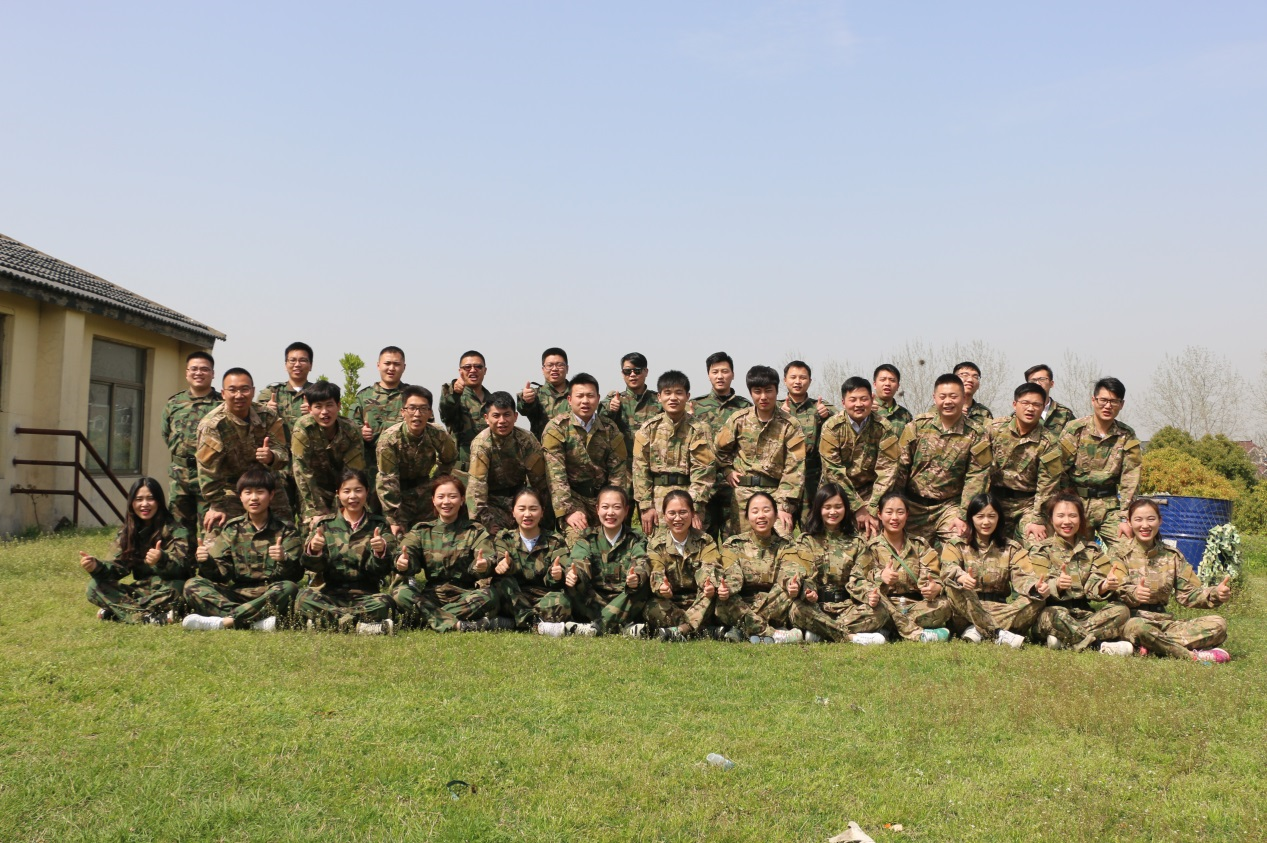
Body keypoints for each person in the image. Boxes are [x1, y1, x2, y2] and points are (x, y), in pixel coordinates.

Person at [870, 374, 990, 545]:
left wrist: (963, 515)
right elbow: (899, 468)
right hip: (912, 505)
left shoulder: (976, 434)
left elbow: (977, 476)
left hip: (949, 507)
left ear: (964, 398)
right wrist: (892, 505)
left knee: (961, 543)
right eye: (943, 396)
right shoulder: (918, 426)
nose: (948, 401)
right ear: (934, 398)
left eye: (953, 396)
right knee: (897, 548)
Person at [1112, 499, 1233, 662]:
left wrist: (1215, 593)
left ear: (1160, 521)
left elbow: (1188, 594)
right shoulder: (1119, 554)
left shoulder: (1172, 556)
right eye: (1138, 520)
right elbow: (1116, 588)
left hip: (1164, 623)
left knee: (1218, 624)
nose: (1145, 525)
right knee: (1140, 628)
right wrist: (1134, 593)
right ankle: (1190, 655)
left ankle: (1150, 646)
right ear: (1129, 522)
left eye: (1151, 519)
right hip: (1132, 621)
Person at [181, 469, 302, 631]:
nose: (254, 498)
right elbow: (221, 574)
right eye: (248, 492)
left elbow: (296, 575)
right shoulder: (232, 529)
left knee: (289, 588)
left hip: (270, 593)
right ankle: (253, 622)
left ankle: (224, 622)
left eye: (260, 492)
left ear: (271, 495)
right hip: (237, 594)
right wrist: (206, 561)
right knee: (192, 585)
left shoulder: (286, 530)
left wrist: (283, 559)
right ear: (240, 497)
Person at [390, 475, 514, 632]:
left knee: (489, 596)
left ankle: (427, 619)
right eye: (441, 497)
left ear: (462, 500)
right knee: (400, 594)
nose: (446, 502)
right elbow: (406, 552)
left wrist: (483, 566)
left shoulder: (475, 531)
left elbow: (487, 557)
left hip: (465, 596)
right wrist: (403, 562)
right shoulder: (422, 530)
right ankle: (460, 624)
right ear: (433, 500)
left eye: (453, 496)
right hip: (432, 596)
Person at [779, 483, 888, 642]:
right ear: (818, 509)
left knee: (881, 611)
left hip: (847, 607)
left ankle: (820, 632)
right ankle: (852, 637)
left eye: (838, 507)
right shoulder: (806, 541)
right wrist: (807, 590)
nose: (833, 512)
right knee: (796, 610)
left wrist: (869, 595)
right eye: (827, 507)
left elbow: (860, 579)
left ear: (846, 509)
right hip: (816, 606)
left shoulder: (857, 543)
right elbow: (801, 572)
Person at [1021, 493, 1130, 651]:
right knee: (1053, 614)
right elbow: (1039, 582)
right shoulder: (1041, 550)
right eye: (1060, 516)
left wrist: (1104, 586)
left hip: (1085, 615)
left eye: (1072, 516)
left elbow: (1096, 581)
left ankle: (1065, 639)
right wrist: (1057, 585)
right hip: (1054, 611)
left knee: (1121, 611)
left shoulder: (1092, 549)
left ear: (1081, 519)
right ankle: (1098, 645)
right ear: (1051, 519)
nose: (1067, 521)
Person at [295, 468, 397, 634]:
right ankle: (360, 626)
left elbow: (382, 569)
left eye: (358, 490)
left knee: (385, 602)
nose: (352, 496)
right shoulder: (324, 525)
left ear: (367, 492)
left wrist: (380, 552)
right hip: (330, 595)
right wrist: (314, 550)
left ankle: (328, 623)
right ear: (338, 494)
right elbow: (312, 566)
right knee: (303, 598)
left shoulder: (379, 525)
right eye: (347, 491)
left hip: (367, 596)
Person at [78, 477, 190, 624]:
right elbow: (117, 568)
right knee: (94, 586)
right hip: (142, 590)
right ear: (132, 503)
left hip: (167, 588)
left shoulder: (176, 530)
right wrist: (96, 566)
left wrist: (162, 559)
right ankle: (146, 618)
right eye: (139, 499)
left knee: (180, 589)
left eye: (150, 498)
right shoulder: (128, 533)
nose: (144, 504)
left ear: (159, 502)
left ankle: (118, 612)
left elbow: (184, 568)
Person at [713, 365, 806, 536]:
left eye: (768, 391)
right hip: (743, 496)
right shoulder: (738, 420)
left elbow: (795, 468)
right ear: (750, 393)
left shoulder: (790, 425)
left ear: (777, 391)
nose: (763, 397)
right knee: (740, 545)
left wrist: (784, 506)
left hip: (776, 495)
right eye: (757, 391)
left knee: (782, 542)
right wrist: (727, 470)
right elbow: (718, 449)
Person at [196, 367, 291, 530]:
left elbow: (283, 453)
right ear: (223, 393)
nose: (239, 395)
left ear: (253, 391)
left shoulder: (268, 416)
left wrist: (271, 457)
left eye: (244, 389)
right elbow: (207, 472)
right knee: (218, 536)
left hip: (266, 485)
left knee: (286, 533)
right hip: (229, 490)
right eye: (232, 390)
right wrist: (216, 505)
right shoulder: (212, 426)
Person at [940, 493, 1038, 647]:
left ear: (999, 518)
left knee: (1037, 598)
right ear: (971, 518)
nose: (986, 522)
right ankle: (998, 633)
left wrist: (1036, 587)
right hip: (966, 608)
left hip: (1000, 608)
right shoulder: (956, 545)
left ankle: (977, 630)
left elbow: (1024, 576)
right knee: (952, 586)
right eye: (980, 516)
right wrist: (961, 577)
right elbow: (948, 568)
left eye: (992, 516)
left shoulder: (1011, 548)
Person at [541, 373, 629, 543]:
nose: (585, 401)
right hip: (573, 498)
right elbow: (555, 475)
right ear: (569, 399)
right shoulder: (556, 428)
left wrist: (611, 506)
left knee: (613, 543)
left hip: (604, 499)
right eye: (580, 396)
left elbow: (618, 472)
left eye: (590, 396)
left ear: (598, 398)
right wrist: (568, 511)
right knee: (578, 543)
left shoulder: (610, 428)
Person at [552, 485, 651, 635]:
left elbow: (642, 561)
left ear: (626, 510)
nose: (610, 512)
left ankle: (594, 628)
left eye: (617, 507)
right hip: (595, 601)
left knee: (642, 587)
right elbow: (579, 560)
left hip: (625, 598)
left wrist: (636, 577)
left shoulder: (636, 538)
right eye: (605, 507)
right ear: (597, 509)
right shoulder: (587, 537)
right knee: (574, 585)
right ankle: (619, 625)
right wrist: (575, 574)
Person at [854, 492, 952, 642]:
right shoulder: (870, 546)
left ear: (907, 514)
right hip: (883, 605)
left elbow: (934, 576)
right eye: (889, 512)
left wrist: (935, 588)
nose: (894, 518)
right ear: (879, 514)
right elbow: (857, 579)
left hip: (915, 606)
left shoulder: (919, 545)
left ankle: (888, 629)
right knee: (871, 611)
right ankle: (918, 634)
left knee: (945, 605)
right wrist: (880, 576)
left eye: (900, 512)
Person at [1058, 377, 1141, 550]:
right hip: (1076, 504)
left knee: (1129, 549)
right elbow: (1058, 471)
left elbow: (1131, 478)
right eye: (1103, 400)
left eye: (1114, 401)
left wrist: (1125, 517)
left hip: (1110, 506)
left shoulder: (1126, 435)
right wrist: (1063, 505)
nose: (1108, 406)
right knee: (1073, 554)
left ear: (1121, 404)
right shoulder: (1075, 430)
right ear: (1093, 400)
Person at [632, 370, 717, 535]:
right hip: (657, 502)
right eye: (667, 393)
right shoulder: (648, 429)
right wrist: (646, 506)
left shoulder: (700, 429)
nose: (673, 398)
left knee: (691, 546)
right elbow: (639, 470)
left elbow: (704, 472)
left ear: (687, 396)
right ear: (659, 397)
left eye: (679, 393)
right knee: (658, 548)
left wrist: (693, 507)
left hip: (689, 500)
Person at [713, 492, 802, 643]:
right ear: (748, 517)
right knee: (724, 600)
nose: (761, 516)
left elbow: (789, 573)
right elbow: (732, 576)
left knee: (788, 594)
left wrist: (792, 585)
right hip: (743, 602)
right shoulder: (734, 544)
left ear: (776, 515)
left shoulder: (786, 545)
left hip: (772, 601)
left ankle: (743, 629)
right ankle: (773, 634)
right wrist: (726, 588)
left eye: (766, 510)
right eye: (755, 511)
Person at [986, 383, 1064, 543]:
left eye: (1036, 405)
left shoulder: (1049, 442)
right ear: (1014, 404)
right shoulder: (994, 429)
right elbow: (977, 469)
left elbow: (1048, 485)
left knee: (1037, 543)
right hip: (993, 501)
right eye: (1025, 403)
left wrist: (1038, 520)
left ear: (1043, 408)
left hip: (1028, 506)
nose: (1030, 409)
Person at [376, 385, 458, 536]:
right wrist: (394, 519)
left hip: (425, 490)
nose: (417, 414)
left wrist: (437, 481)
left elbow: (450, 459)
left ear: (430, 413)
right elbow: (387, 479)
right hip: (397, 493)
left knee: (432, 535)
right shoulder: (389, 440)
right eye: (412, 408)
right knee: (398, 538)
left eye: (423, 409)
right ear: (403, 412)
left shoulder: (438, 434)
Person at [466, 392, 551, 533]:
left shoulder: (526, 440)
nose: (502, 421)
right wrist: (485, 522)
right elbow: (476, 489)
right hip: (492, 502)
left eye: (507, 415)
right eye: (496, 416)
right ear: (486, 418)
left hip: (521, 499)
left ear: (515, 416)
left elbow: (541, 482)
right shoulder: (481, 444)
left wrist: (542, 515)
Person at [644, 491, 724, 640]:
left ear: (692, 513)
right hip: (671, 602)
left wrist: (708, 584)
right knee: (651, 606)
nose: (678, 518)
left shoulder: (705, 540)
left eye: (683, 512)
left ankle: (681, 630)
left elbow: (710, 566)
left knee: (712, 597)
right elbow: (656, 571)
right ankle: (701, 629)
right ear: (664, 516)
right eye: (672, 513)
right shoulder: (656, 544)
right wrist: (662, 587)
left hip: (699, 598)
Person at [492, 488, 572, 633]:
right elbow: (500, 558)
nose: (527, 514)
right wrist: (503, 565)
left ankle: (515, 622)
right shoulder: (504, 538)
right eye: (521, 509)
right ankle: (536, 623)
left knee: (562, 601)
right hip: (514, 595)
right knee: (502, 584)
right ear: (513, 512)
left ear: (542, 512)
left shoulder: (555, 540)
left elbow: (562, 569)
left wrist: (556, 575)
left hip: (542, 597)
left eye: (533, 509)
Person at [161, 351, 220, 537]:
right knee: (178, 530)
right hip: (180, 475)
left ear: (212, 373)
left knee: (211, 530)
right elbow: (166, 434)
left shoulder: (222, 404)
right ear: (187, 373)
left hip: (210, 475)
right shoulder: (174, 403)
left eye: (204, 369)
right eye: (194, 369)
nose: (198, 373)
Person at [692, 352, 752, 534]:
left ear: (732, 374)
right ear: (708, 375)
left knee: (734, 539)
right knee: (702, 538)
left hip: (733, 484)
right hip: (704, 484)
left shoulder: (745, 407)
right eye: (715, 372)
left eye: (725, 371)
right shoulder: (695, 406)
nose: (720, 376)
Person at [290, 381, 365, 526]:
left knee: (346, 525)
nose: (324, 412)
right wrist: (317, 511)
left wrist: (343, 504)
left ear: (338, 406)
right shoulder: (303, 429)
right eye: (318, 407)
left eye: (329, 405)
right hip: (311, 488)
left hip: (343, 489)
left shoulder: (351, 430)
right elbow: (302, 472)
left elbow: (354, 472)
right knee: (313, 526)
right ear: (310, 409)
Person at [818, 376, 884, 537]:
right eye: (853, 400)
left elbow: (888, 470)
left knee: (872, 535)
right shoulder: (831, 427)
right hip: (836, 491)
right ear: (843, 402)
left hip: (871, 493)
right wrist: (857, 507)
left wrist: (872, 508)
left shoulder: (883, 427)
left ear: (872, 399)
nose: (858, 404)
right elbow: (833, 471)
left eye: (864, 399)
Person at [351, 346, 410, 489]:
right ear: (378, 365)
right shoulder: (364, 396)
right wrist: (360, 431)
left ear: (404, 367)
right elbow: (349, 426)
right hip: (370, 469)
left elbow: (427, 425)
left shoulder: (412, 395)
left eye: (396, 364)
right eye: (387, 363)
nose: (391, 368)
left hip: (404, 469)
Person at [781, 360, 833, 513]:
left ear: (810, 381)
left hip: (812, 477)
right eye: (793, 377)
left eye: (803, 377)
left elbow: (844, 420)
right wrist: (777, 415)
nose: (798, 381)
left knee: (811, 522)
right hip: (784, 476)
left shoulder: (820, 406)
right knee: (782, 522)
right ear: (785, 380)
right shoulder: (776, 407)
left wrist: (827, 415)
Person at [601, 352, 662, 464]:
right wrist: (611, 410)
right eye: (627, 371)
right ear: (622, 373)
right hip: (623, 466)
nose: (632, 375)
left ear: (646, 372)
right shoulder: (614, 400)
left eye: (637, 370)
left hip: (653, 464)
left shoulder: (659, 400)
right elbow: (599, 423)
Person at [439, 350, 492, 472]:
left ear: (485, 370)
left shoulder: (492, 401)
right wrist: (455, 393)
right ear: (460, 371)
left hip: (488, 470)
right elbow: (446, 412)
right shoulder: (454, 395)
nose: (473, 370)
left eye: (478, 367)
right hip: (460, 472)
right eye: (467, 367)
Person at [518, 347, 571, 440]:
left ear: (567, 368)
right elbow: (523, 409)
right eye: (550, 365)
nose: (554, 369)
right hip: (542, 447)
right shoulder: (535, 394)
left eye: (559, 365)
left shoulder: (578, 395)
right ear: (543, 369)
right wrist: (525, 400)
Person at [258, 341, 314, 427]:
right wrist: (266, 409)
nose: (297, 364)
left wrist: (314, 412)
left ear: (310, 365)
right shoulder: (272, 391)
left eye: (302, 360)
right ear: (286, 365)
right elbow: (253, 417)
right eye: (292, 360)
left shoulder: (319, 392)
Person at [1025, 364, 1075, 435]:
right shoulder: (1020, 414)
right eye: (1033, 380)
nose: (1038, 383)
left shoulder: (1065, 413)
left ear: (1051, 384)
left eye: (1042, 379)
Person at [872, 364, 913, 435]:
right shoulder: (868, 410)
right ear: (875, 384)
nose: (887, 383)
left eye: (892, 380)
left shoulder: (904, 414)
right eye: (883, 380)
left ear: (898, 386)